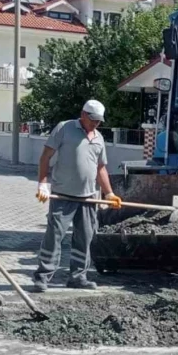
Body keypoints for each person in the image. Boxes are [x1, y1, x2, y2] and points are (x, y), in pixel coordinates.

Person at [33, 100, 120, 291]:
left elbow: (101, 168)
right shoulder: (64, 128)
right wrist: (42, 182)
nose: (96, 124)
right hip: (63, 195)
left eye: (99, 121)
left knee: (85, 237)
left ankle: (78, 277)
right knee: (54, 235)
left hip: (88, 197)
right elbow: (45, 156)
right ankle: (42, 277)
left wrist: (109, 193)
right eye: (93, 120)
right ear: (83, 114)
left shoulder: (98, 138)